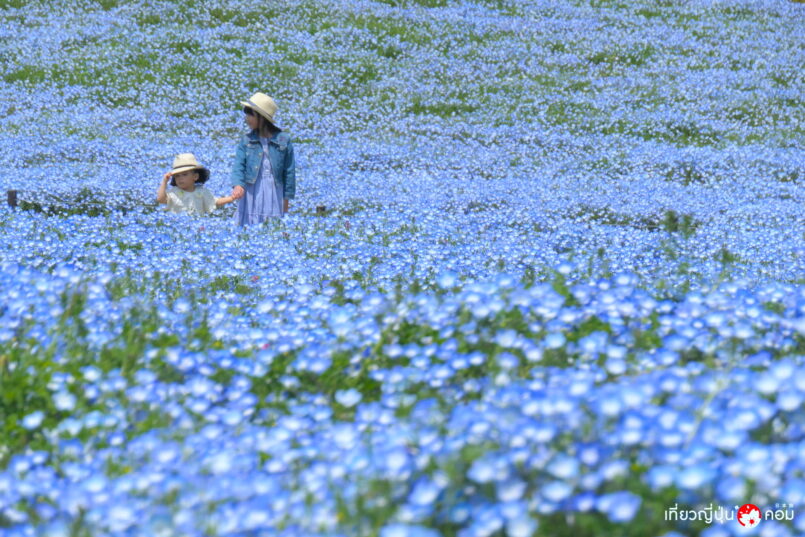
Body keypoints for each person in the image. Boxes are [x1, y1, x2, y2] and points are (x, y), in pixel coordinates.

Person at [229, 92, 296, 225]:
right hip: (251, 189)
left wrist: (286, 199)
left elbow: (289, 171)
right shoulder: (246, 140)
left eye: (250, 114)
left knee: (272, 225)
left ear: (262, 117)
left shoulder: (283, 140)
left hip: (274, 189)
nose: (247, 119)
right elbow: (239, 165)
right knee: (249, 223)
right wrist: (237, 184)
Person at [157, 153, 234, 215]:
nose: (180, 178)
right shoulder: (174, 192)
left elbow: (215, 202)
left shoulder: (202, 191)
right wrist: (164, 182)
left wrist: (231, 198)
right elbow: (161, 199)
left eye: (184, 174)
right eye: (177, 176)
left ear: (195, 176)